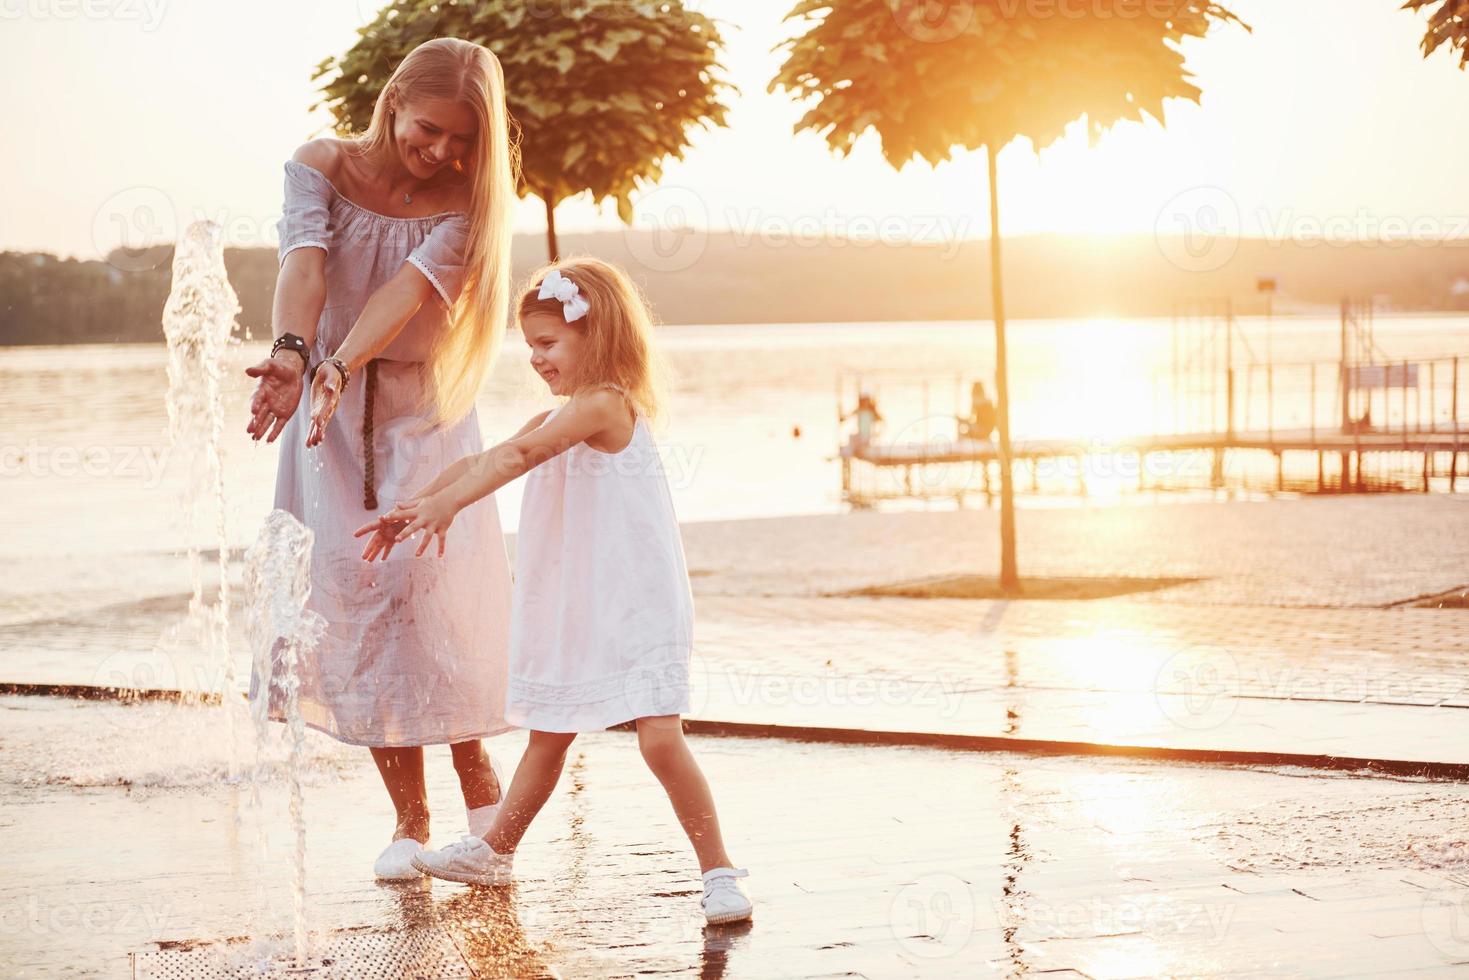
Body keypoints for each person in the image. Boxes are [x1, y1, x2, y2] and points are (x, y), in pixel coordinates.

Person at [353, 258, 754, 926]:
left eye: (546, 343)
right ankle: (494, 852)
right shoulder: (560, 411)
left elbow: (517, 460)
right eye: (529, 345)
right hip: (579, 602)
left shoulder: (604, 404)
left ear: (595, 336)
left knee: (658, 736)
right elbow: (482, 459)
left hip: (634, 600)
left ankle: (718, 872)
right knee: (550, 733)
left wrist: (449, 510)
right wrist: (415, 504)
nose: (534, 358)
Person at [241, 37, 519, 882]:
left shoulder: (471, 202)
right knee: (355, 596)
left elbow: (405, 295)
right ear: (394, 97)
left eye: (462, 141)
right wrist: (292, 355)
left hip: (421, 411)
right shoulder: (317, 163)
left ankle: (478, 788)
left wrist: (338, 364)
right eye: (430, 130)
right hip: (326, 418)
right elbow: (305, 265)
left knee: (427, 592)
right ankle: (408, 818)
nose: (442, 152)